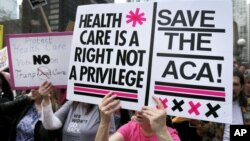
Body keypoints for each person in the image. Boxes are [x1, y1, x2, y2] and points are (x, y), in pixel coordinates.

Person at [40, 82, 116, 141]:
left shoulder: (104, 107)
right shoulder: (73, 102)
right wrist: (46, 99)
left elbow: (110, 137)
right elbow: (50, 125)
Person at [95, 92, 181, 141]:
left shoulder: (169, 135)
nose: (139, 111)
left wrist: (161, 131)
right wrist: (104, 122)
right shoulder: (131, 127)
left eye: (146, 107)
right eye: (137, 106)